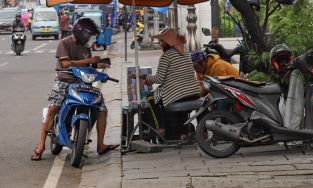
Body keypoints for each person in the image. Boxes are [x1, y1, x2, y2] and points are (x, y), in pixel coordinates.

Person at [31, 18, 119, 161]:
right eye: (89, 35)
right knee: (53, 108)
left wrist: (100, 65)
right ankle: (40, 145)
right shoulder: (64, 43)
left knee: (102, 109)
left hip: (82, 82)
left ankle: (101, 145)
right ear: (82, 33)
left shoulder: (86, 48)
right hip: (64, 81)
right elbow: (65, 63)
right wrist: (90, 61)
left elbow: (87, 66)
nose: (90, 39)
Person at [132, 28, 200, 139]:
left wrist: (141, 75)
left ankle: (160, 128)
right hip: (193, 91)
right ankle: (182, 132)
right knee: (163, 95)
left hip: (177, 94)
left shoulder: (166, 56)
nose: (160, 44)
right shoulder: (186, 53)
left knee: (149, 99)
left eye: (162, 42)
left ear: (167, 43)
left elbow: (158, 79)